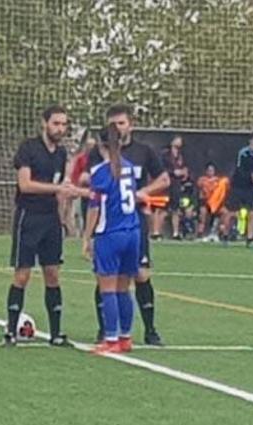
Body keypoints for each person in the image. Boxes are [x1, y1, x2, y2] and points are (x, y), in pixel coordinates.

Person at [87, 105, 169, 345]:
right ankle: (115, 333)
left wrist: (141, 191)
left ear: (130, 124)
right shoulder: (112, 162)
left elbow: (163, 179)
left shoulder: (142, 152)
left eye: (121, 123)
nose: (118, 128)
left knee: (124, 280)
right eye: (114, 124)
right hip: (124, 224)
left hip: (120, 227)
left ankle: (135, 332)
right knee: (117, 283)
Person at [5, 105, 77, 346]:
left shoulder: (61, 154)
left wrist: (65, 216)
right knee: (23, 274)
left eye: (64, 124)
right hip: (29, 217)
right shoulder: (29, 148)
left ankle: (56, 334)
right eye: (56, 123)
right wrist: (57, 188)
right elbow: (25, 184)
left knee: (53, 274)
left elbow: (61, 190)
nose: (60, 128)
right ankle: (10, 330)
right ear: (44, 123)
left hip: (50, 220)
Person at [82, 125, 140, 354]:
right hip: (132, 232)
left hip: (110, 234)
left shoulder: (101, 171)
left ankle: (111, 338)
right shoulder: (129, 168)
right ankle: (125, 337)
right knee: (124, 288)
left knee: (108, 289)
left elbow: (95, 207)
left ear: (100, 144)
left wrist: (87, 237)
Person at [226, 131, 253, 245]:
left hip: (250, 188)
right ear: (250, 141)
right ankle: (225, 234)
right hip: (238, 186)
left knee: (251, 212)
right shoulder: (243, 153)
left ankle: (249, 238)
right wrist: (251, 176)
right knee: (231, 212)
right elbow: (240, 169)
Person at [160, 135, 189, 240]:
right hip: (167, 183)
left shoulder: (182, 156)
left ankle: (176, 233)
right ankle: (157, 232)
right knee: (162, 209)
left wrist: (184, 172)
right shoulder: (165, 154)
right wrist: (173, 172)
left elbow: (184, 167)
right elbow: (161, 168)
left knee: (175, 209)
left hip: (177, 184)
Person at [67, 137, 96, 234]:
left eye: (92, 146)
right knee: (84, 213)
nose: (90, 148)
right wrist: (76, 188)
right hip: (85, 192)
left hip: (98, 191)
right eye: (88, 146)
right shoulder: (81, 159)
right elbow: (76, 175)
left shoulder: (99, 159)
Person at [197, 162, 230, 240]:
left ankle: (222, 232)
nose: (210, 172)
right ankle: (200, 233)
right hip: (206, 203)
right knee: (203, 212)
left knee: (226, 213)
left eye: (212, 170)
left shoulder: (218, 181)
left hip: (217, 205)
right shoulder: (202, 180)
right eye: (209, 170)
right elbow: (203, 191)